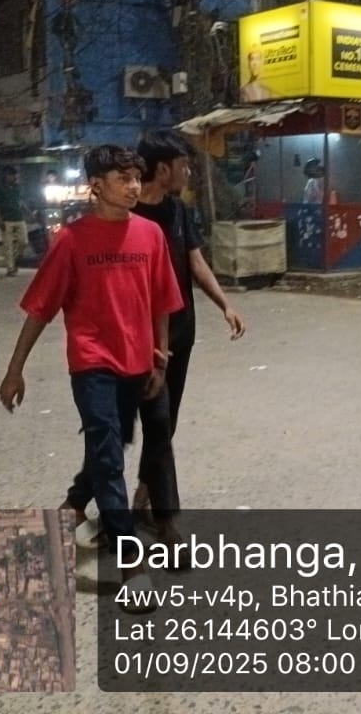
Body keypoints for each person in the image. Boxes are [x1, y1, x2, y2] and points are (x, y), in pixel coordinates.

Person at [0, 144, 182, 605]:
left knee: (112, 448)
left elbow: (163, 298)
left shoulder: (150, 235)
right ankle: (130, 561)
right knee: (107, 454)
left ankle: (72, 507)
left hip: (138, 361)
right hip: (92, 361)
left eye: (136, 177)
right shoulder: (72, 241)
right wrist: (14, 368)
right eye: (123, 178)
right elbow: (41, 309)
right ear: (96, 186)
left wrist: (159, 356)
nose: (134, 186)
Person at [121, 131, 246, 531]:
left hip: (179, 333)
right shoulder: (127, 217)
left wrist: (225, 304)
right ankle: (128, 511)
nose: (189, 172)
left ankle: (144, 500)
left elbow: (195, 262)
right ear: (162, 169)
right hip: (135, 338)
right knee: (128, 425)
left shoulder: (177, 210)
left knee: (164, 423)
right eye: (183, 166)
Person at [0, 166, 28, 276]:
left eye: (15, 175)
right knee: (8, 245)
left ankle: (15, 260)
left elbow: (21, 201)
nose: (15, 177)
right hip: (6, 219)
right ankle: (10, 268)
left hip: (19, 218)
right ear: (6, 176)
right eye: (12, 175)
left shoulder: (18, 187)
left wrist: (29, 212)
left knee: (24, 242)